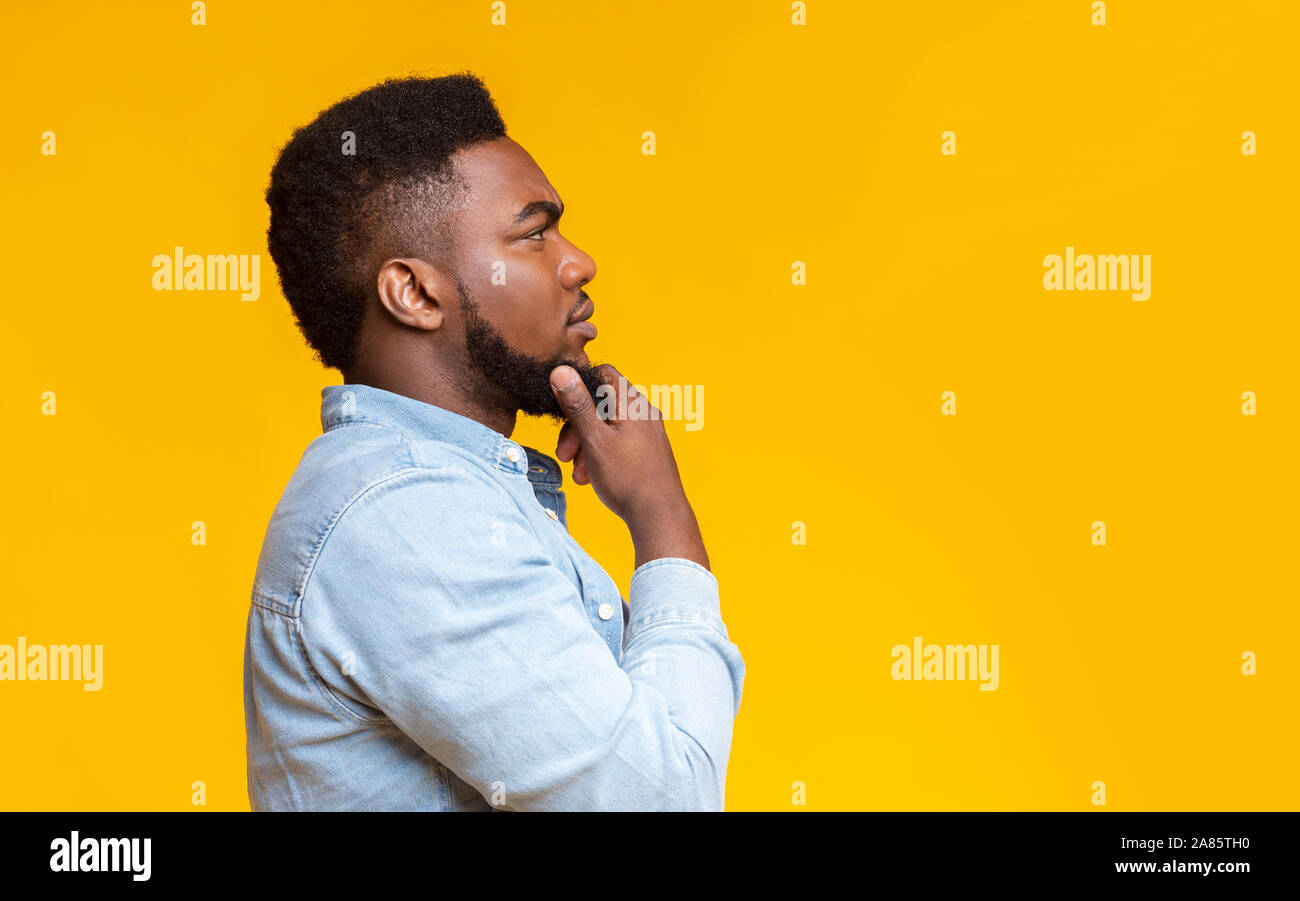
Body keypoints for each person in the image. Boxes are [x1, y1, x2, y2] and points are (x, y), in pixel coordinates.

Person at [243, 71, 745, 811]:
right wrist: (662, 517)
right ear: (414, 294)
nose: (578, 262)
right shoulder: (407, 514)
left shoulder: (442, 494)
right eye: (534, 234)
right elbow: (659, 798)